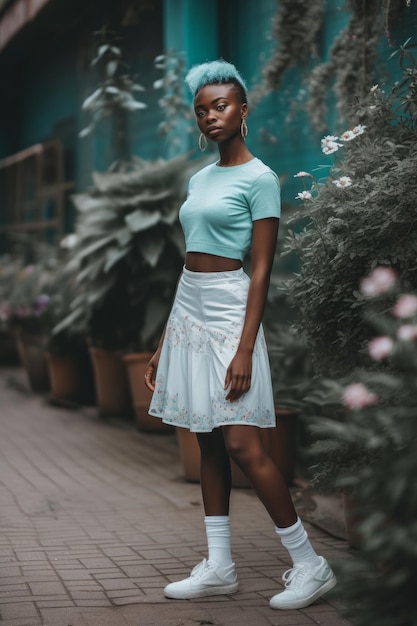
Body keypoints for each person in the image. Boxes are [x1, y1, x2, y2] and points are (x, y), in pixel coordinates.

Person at [144, 59, 336, 611]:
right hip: (189, 312)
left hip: (232, 314)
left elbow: (260, 271)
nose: (211, 116)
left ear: (243, 110)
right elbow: (188, 262)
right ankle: (219, 567)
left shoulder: (260, 179)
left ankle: (311, 565)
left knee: (241, 443)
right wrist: (165, 340)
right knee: (206, 441)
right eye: (203, 109)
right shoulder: (199, 179)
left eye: (221, 105)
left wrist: (245, 346)